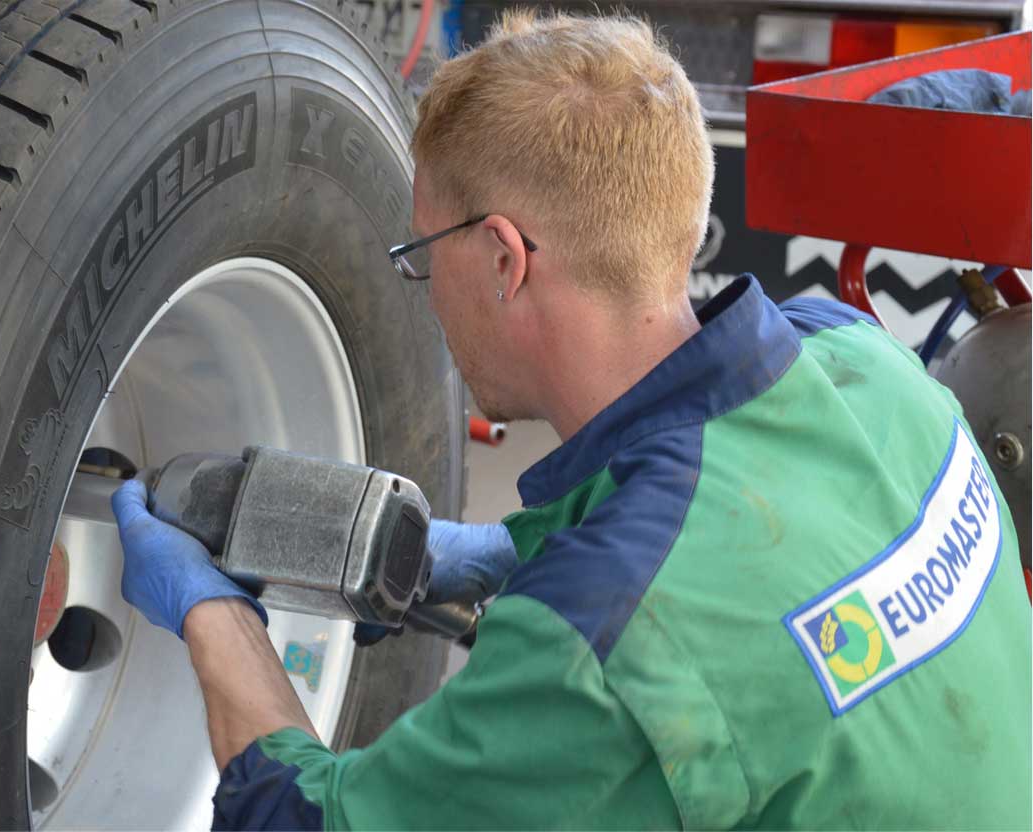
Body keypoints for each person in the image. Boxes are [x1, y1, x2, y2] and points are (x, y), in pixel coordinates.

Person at [110, 10, 1032, 829]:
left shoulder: (598, 643)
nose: (425, 295)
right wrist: (508, 551)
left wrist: (213, 615)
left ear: (506, 259)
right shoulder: (867, 360)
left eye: (423, 254)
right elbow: (748, 523)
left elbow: (299, 819)